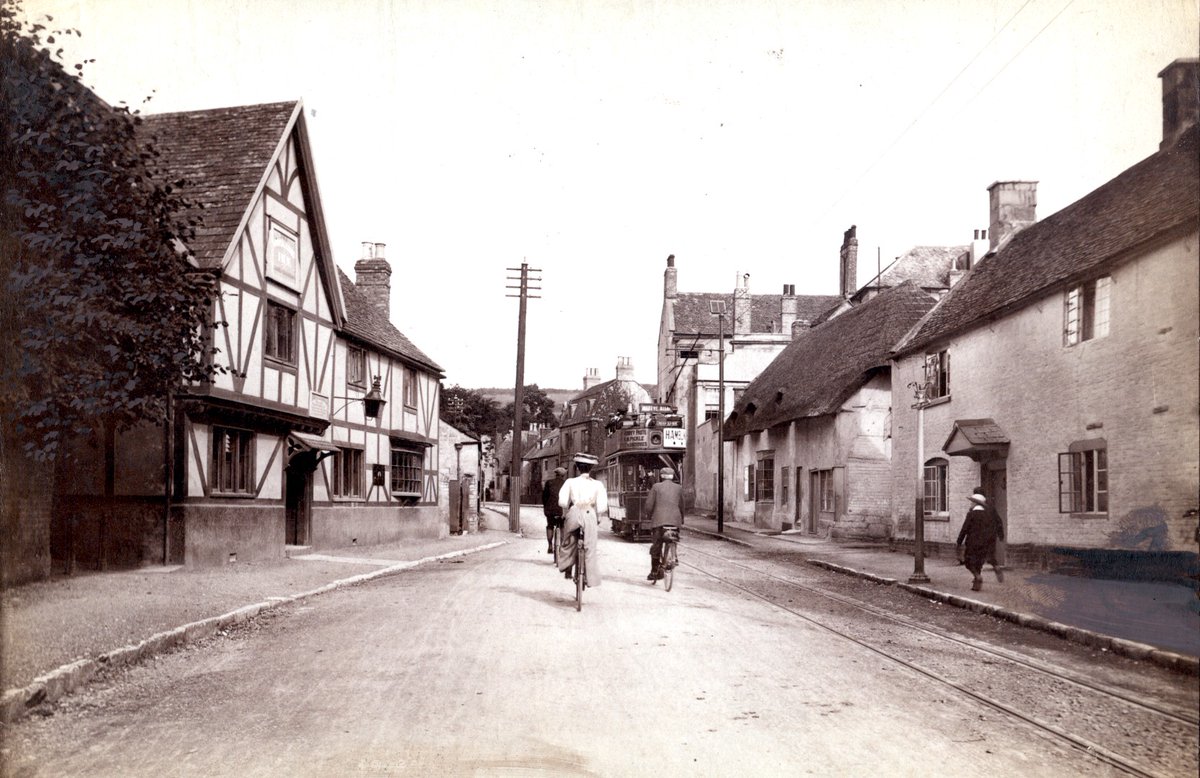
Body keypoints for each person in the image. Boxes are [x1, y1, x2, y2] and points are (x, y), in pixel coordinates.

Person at [556, 453, 608, 587]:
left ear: (577, 468)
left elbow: (562, 502)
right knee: (590, 546)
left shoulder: (570, 482)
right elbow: (602, 506)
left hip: (574, 512)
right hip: (590, 513)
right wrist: (599, 516)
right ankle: (589, 579)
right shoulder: (597, 484)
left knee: (568, 540)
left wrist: (567, 507)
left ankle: (567, 565)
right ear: (590, 469)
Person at [956, 492, 1005, 591]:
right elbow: (996, 525)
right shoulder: (988, 514)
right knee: (979, 562)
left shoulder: (971, 514)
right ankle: (976, 584)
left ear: (975, 503)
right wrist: (999, 536)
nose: (970, 504)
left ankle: (977, 576)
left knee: (968, 561)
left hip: (973, 542)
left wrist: (959, 541)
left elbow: (965, 529)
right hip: (986, 542)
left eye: (972, 503)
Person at [644, 466, 684, 581]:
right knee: (673, 538)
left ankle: (654, 571)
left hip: (659, 521)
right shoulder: (679, 488)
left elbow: (649, 505)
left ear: (661, 476)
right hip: (675, 520)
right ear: (672, 477)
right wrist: (681, 520)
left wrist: (649, 515)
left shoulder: (656, 487)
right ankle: (674, 557)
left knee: (656, 546)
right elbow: (682, 506)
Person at [541, 466, 567, 554]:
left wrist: (546, 506)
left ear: (556, 474)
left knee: (550, 526)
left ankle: (550, 546)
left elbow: (544, 497)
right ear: (563, 475)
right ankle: (562, 546)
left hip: (550, 510)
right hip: (561, 510)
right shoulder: (566, 484)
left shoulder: (549, 483)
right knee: (562, 526)